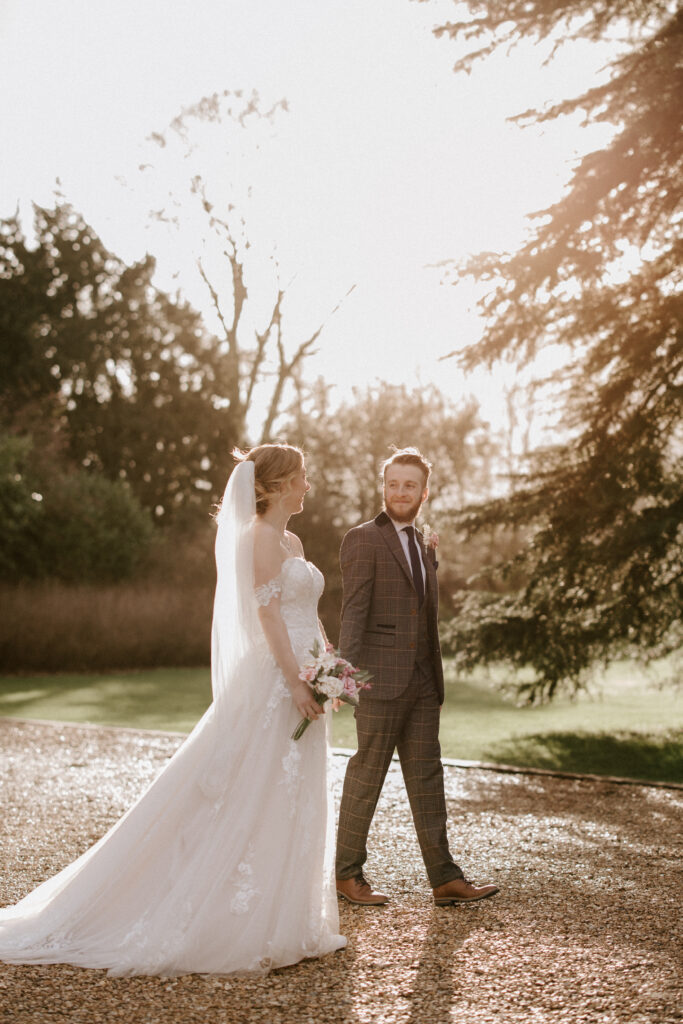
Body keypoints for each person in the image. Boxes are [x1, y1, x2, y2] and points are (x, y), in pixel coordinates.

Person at [0, 444, 345, 976]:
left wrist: (331, 667)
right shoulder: (257, 539)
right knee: (252, 787)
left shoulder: (292, 540)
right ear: (276, 486)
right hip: (279, 681)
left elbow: (308, 613)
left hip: (308, 674)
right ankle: (232, 919)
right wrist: (295, 681)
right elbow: (270, 618)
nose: (308, 485)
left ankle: (289, 921)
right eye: (302, 477)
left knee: (296, 791)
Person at [335, 447, 499, 907]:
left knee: (428, 777)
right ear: (383, 487)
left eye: (409, 485)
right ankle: (346, 874)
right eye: (392, 484)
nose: (400, 492)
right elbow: (354, 612)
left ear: (423, 492)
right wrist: (343, 676)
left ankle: (445, 878)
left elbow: (423, 614)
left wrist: (435, 680)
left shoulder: (425, 542)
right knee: (367, 774)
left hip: (424, 682)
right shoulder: (362, 539)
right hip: (380, 680)